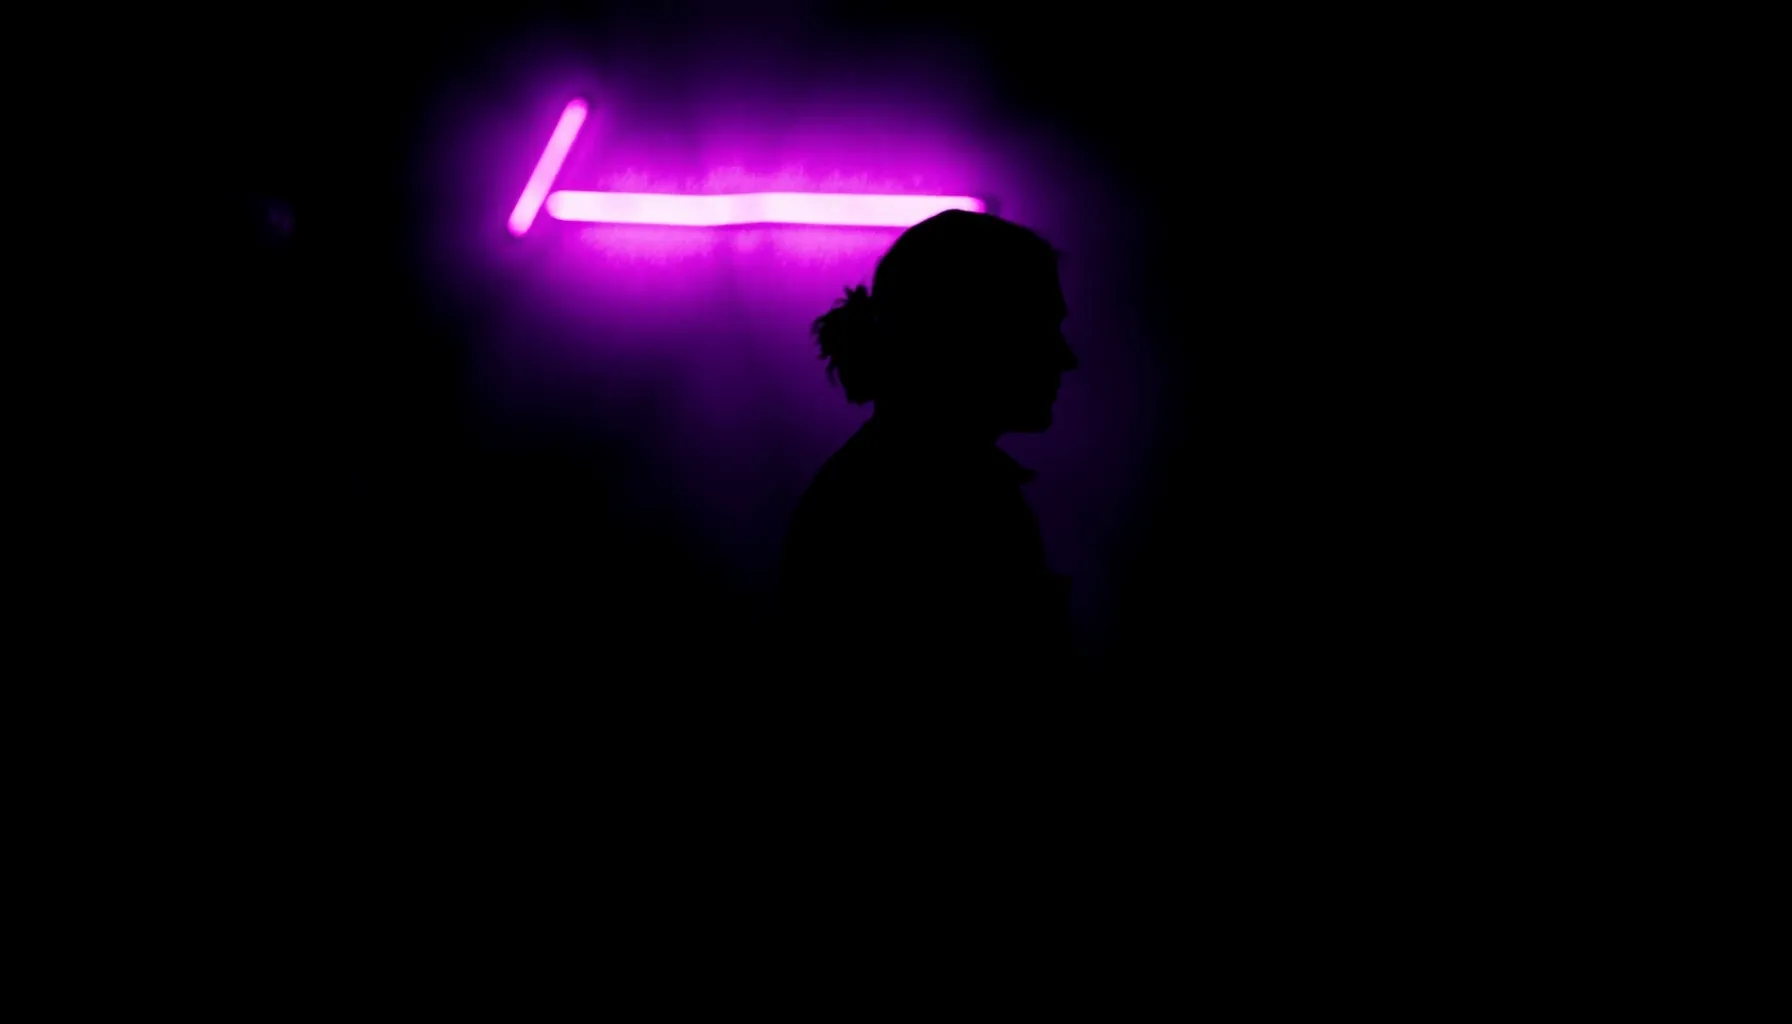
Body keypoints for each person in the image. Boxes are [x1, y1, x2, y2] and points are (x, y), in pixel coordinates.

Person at [777, 210, 1079, 676]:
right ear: (968, 336)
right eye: (1039, 328)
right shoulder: (925, 505)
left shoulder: (879, 488)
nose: (1066, 357)